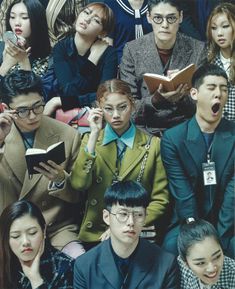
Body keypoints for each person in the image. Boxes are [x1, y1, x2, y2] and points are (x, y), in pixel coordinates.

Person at [70, 78, 169, 248]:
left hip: (136, 229)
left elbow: (160, 199)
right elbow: (79, 184)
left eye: (122, 107)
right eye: (108, 109)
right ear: (99, 109)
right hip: (96, 233)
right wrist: (93, 134)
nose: (115, 115)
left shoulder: (153, 145)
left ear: (132, 105)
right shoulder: (90, 141)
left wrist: (128, 225)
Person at [0, 69, 83, 257]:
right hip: (9, 230)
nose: (32, 116)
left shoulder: (67, 134)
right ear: (6, 108)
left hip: (55, 227)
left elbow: (80, 195)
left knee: (82, 267)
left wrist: (60, 180)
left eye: (38, 106)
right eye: (22, 111)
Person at [160, 63, 235, 258]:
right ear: (194, 94)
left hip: (229, 220)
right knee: (170, 250)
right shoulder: (173, 138)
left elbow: (232, 194)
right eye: (211, 88)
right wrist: (200, 236)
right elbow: (183, 194)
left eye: (224, 89)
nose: (218, 94)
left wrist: (221, 236)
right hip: (189, 221)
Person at [120, 0, 206, 136]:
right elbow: (126, 107)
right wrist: (155, 100)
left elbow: (204, 104)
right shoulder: (132, 50)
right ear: (148, 17)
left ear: (181, 17)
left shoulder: (198, 49)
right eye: (158, 18)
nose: (165, 25)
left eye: (171, 18)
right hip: (145, 130)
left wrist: (182, 95)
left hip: (186, 129)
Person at [74, 180, 178, 289]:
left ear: (145, 217)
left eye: (138, 215)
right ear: (106, 217)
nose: (131, 222)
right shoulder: (85, 265)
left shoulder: (166, 263)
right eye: (123, 214)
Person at [50, 2, 118, 114]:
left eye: (96, 20)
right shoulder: (61, 48)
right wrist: (92, 60)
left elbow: (106, 96)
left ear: (103, 33)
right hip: (67, 114)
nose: (87, 19)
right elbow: (69, 92)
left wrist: (60, 101)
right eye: (86, 12)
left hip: (97, 113)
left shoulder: (109, 54)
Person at [0, 200, 74, 289]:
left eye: (32, 233)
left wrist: (36, 280)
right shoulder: (5, 263)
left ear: (43, 230)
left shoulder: (66, 267)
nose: (25, 242)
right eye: (16, 236)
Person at [177, 219, 235, 289]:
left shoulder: (232, 273)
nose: (211, 269)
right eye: (201, 263)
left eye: (217, 257)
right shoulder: (180, 268)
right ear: (186, 264)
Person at [0, 0, 51, 78]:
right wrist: (6, 64)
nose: (17, 23)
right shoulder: (2, 49)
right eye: (12, 17)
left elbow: (33, 90)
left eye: (24, 17)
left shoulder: (51, 58)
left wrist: (23, 61)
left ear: (37, 20)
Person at [206, 2, 235, 121]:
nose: (219, 33)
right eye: (214, 28)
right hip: (216, 129)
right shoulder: (208, 59)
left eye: (225, 26)